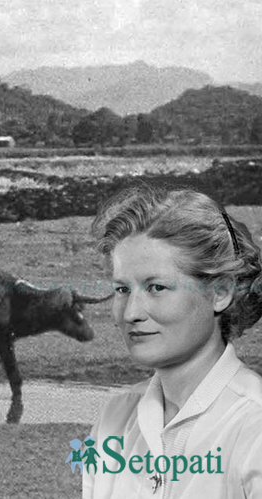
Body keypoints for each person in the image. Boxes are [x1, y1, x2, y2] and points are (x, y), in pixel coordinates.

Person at [84, 185, 262, 498]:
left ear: (220, 292)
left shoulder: (254, 424)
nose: (131, 313)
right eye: (122, 290)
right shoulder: (114, 418)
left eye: (157, 288)